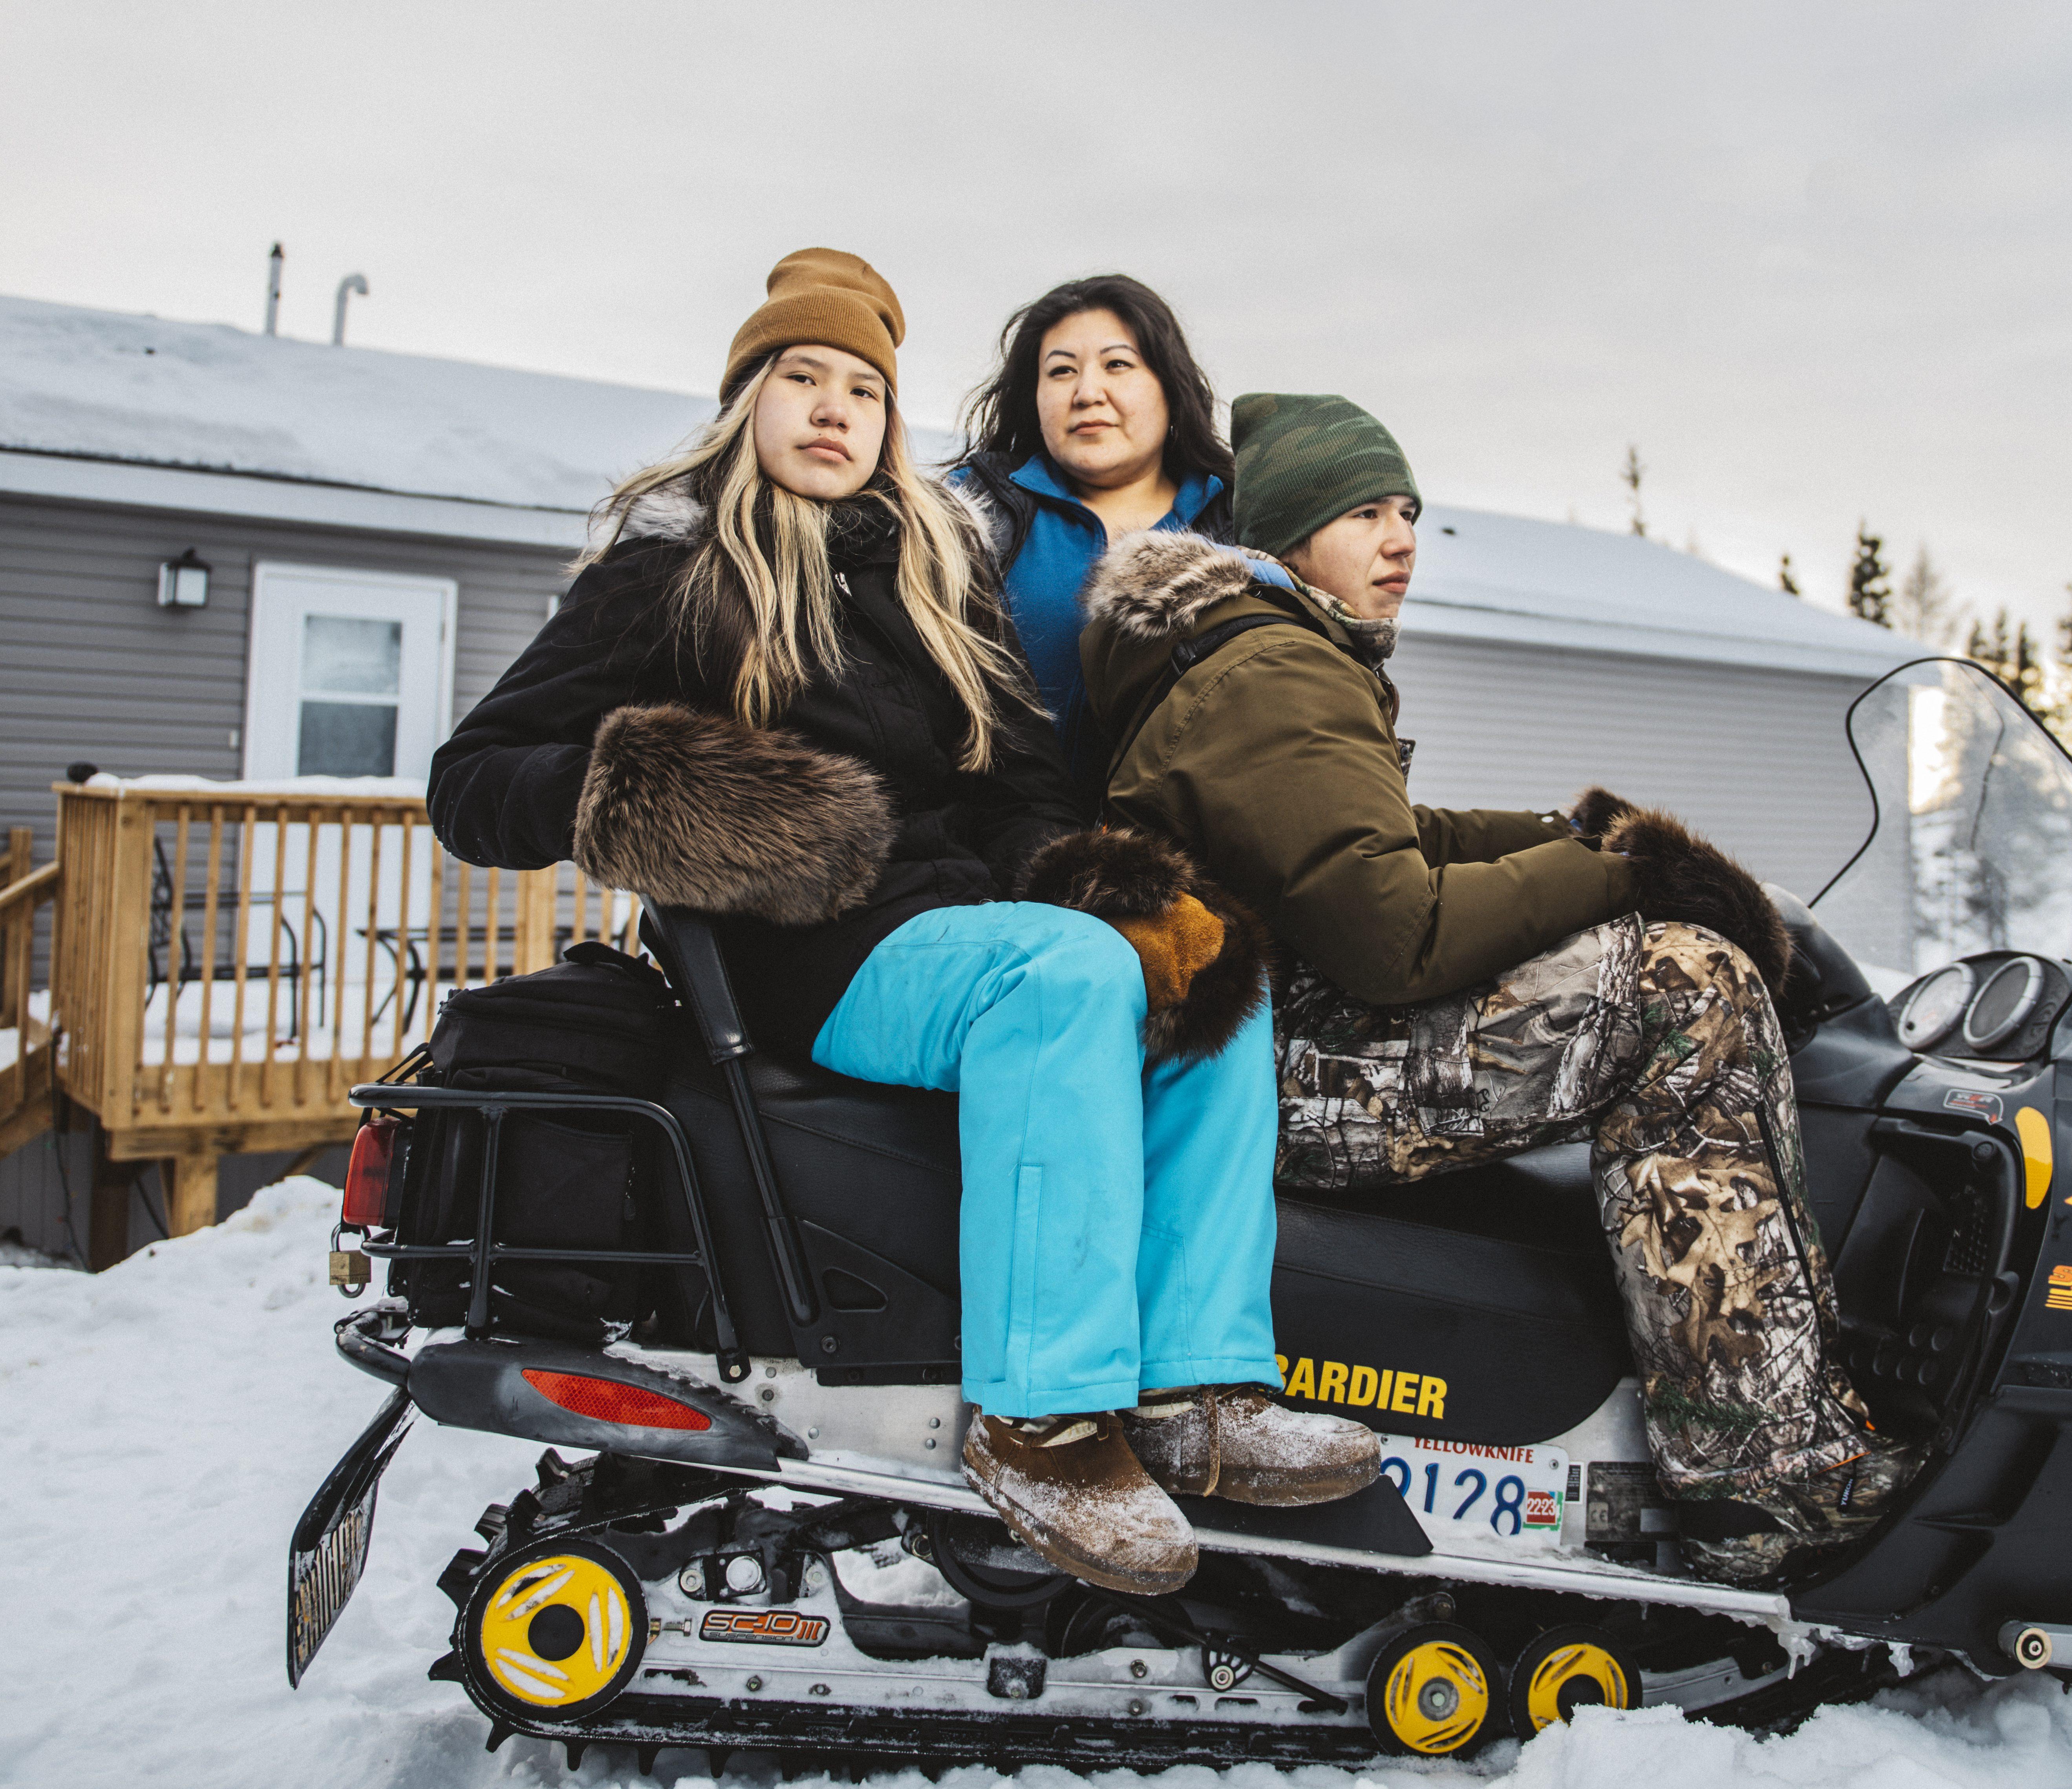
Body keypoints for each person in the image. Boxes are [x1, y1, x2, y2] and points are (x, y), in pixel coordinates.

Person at [427, 251, 1377, 1595]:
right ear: (745, 403)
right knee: (1058, 977)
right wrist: (675, 795)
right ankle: (1040, 1422)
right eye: (800, 380)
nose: (833, 410)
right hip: (809, 952)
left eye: (863, 391)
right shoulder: (673, 574)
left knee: (1205, 966)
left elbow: (1019, 784)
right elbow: (469, 783)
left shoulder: (935, 572)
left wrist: (1089, 878)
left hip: (963, 926)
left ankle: (1200, 1384)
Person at [1073, 392, 1918, 1583]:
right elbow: (1394, 939)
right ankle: (1763, 1467)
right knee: (1687, 987)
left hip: (1271, 1041)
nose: (1403, 537)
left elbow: (1385, 844)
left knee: (1668, 969)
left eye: (1409, 510)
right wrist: (1618, 879)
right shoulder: (1270, 670)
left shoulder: (1265, 656)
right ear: (1291, 534)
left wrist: (1580, 837)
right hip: (1271, 1074)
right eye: (1367, 510)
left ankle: (1733, 1407)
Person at [949, 275, 1236, 758]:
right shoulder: (966, 507)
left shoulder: (1236, 522)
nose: (1087, 393)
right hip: (992, 822)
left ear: (1169, 385)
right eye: (1061, 372)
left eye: (1117, 365)